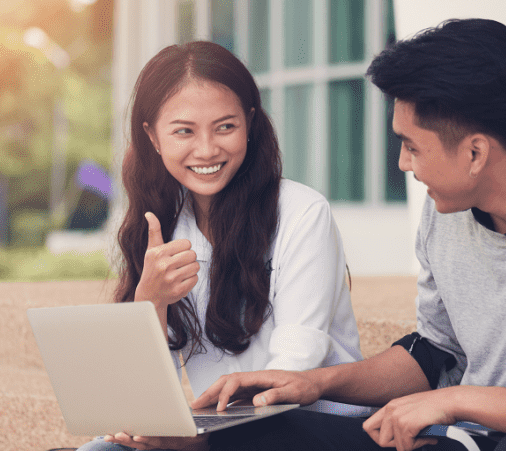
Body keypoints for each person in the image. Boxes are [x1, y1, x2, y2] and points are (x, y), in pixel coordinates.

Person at [192, 19, 506, 451]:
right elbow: (437, 353)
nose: (403, 164)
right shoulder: (445, 210)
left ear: (475, 154)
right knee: (255, 434)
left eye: (410, 146)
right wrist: (313, 383)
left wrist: (455, 401)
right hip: (460, 440)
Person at [76, 41, 368, 451]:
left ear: (249, 122)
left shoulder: (302, 213)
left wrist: (198, 440)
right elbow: (136, 391)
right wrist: (151, 300)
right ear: (153, 137)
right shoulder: (163, 226)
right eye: (184, 131)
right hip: (218, 432)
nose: (208, 149)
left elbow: (292, 367)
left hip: (305, 430)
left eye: (225, 127)